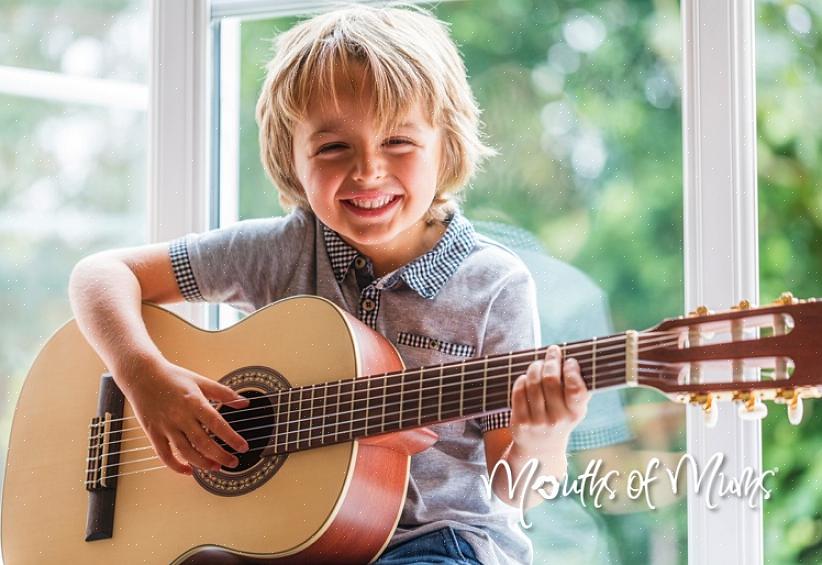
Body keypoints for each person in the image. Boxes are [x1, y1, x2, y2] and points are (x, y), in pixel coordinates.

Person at [68, 4, 590, 564]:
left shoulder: (493, 286)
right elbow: (100, 274)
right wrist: (146, 380)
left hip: (438, 541)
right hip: (277, 540)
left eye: (398, 142)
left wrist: (545, 432)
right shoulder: (281, 251)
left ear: (448, 144)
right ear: (291, 159)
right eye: (333, 147)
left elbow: (517, 486)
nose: (368, 170)